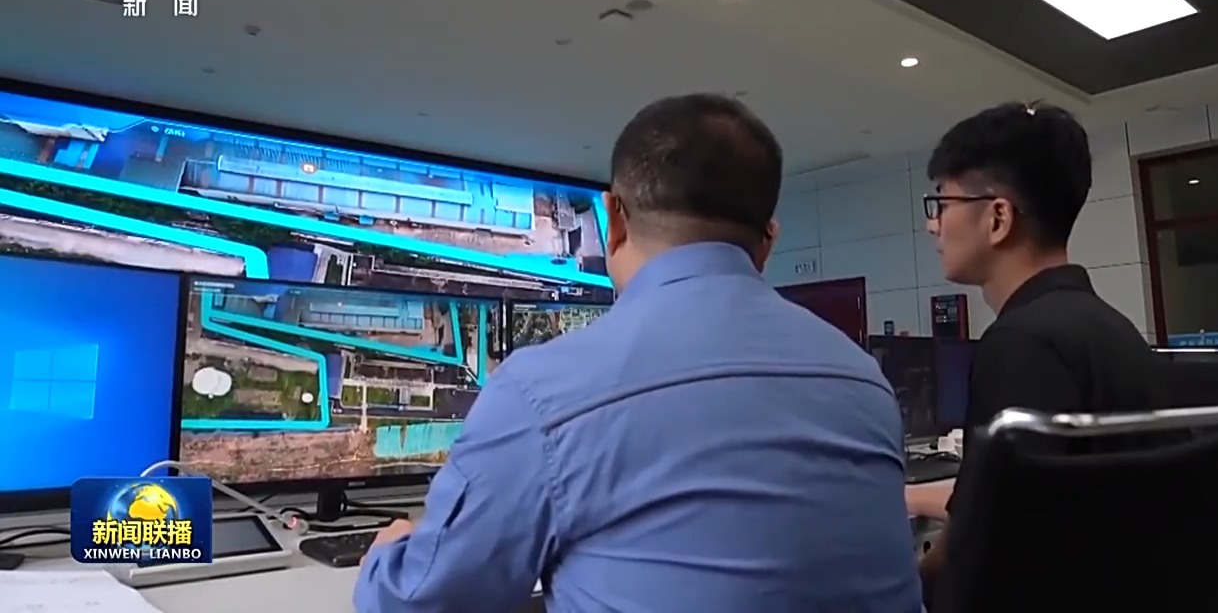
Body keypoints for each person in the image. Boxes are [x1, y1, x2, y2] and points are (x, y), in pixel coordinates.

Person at [353, 93, 923, 613]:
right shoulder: (864, 380)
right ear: (768, 240)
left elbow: (421, 604)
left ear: (614, 218)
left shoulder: (543, 393)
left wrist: (386, 556)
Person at [906, 102, 1170, 590]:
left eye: (942, 205)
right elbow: (1004, 501)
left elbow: (980, 547)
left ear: (998, 218)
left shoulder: (1022, 345)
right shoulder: (1111, 331)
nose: (933, 225)